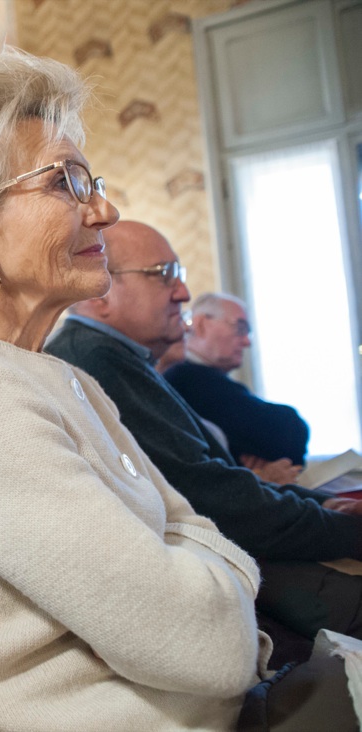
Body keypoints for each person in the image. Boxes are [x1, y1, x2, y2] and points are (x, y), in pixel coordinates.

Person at [0, 50, 346, 731]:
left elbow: (192, 531)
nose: (104, 209)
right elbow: (207, 645)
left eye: (89, 179)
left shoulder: (62, 376)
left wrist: (196, 558)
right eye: (65, 182)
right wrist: (210, 566)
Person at [46, 220, 362, 647]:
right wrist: (343, 528)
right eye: (164, 275)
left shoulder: (115, 356)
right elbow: (214, 499)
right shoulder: (97, 360)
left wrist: (326, 504)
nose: (183, 293)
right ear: (101, 289)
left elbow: (213, 478)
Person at [165, 292, 310, 468]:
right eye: (240, 328)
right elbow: (290, 432)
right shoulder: (190, 380)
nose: (247, 341)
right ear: (202, 324)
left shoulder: (198, 377)